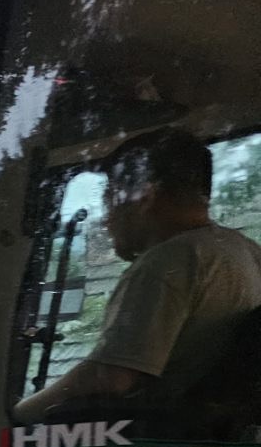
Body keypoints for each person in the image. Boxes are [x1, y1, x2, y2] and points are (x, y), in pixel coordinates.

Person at [15, 127, 261, 426]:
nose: (106, 219)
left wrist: (14, 416)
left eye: (109, 199)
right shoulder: (245, 250)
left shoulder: (169, 260)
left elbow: (109, 378)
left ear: (145, 194)